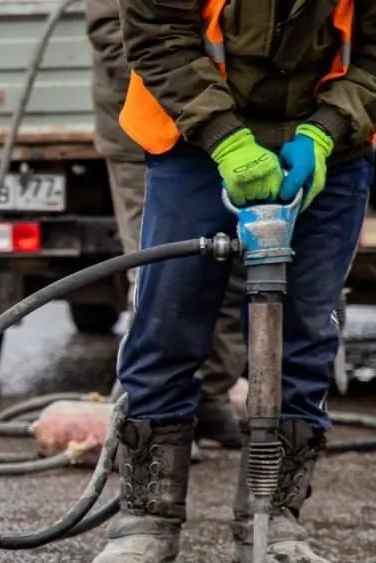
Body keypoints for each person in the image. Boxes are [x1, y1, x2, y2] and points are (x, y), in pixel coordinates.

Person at [90, 0, 376, 563]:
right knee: (169, 317)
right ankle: (146, 522)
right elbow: (155, 31)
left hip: (325, 141)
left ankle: (274, 527)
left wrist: (326, 133)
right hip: (192, 134)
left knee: (307, 330)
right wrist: (225, 140)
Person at [83, 0, 246, 455]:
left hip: (229, 129)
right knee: (162, 276)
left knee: (231, 268)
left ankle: (208, 395)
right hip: (151, 136)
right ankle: (150, 420)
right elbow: (122, 38)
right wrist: (188, 94)